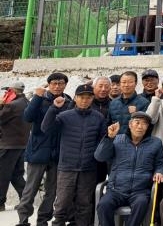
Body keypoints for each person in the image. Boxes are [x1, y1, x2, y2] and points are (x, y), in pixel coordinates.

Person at [42, 83, 107, 226]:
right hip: (67, 168)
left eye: (88, 97)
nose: (84, 100)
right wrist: (53, 108)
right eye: (81, 97)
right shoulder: (64, 116)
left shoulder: (99, 117)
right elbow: (46, 128)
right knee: (62, 204)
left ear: (92, 99)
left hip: (88, 169)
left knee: (84, 205)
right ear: (75, 98)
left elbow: (102, 141)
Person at [16, 72, 73, 226]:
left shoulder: (68, 101)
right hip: (38, 151)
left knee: (52, 191)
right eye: (54, 83)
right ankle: (23, 220)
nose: (57, 86)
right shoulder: (40, 99)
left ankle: (43, 220)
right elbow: (27, 117)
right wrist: (37, 97)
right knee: (30, 189)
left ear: (65, 85)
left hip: (58, 153)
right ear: (49, 85)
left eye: (61, 83)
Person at [94, 112, 163, 226]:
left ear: (148, 127)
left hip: (141, 191)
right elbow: (100, 157)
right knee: (103, 205)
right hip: (116, 189)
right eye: (137, 122)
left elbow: (160, 163)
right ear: (130, 124)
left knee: (141, 204)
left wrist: (159, 172)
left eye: (144, 124)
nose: (140, 126)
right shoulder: (117, 140)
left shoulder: (155, 143)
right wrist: (109, 138)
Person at [0, 82, 30, 212]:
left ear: (13, 91)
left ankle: (0, 203)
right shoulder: (26, 102)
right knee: (16, 174)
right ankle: (26, 200)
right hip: (21, 144)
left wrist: (1, 105)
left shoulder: (11, 105)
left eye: (7, 91)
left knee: (2, 174)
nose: (5, 94)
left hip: (8, 145)